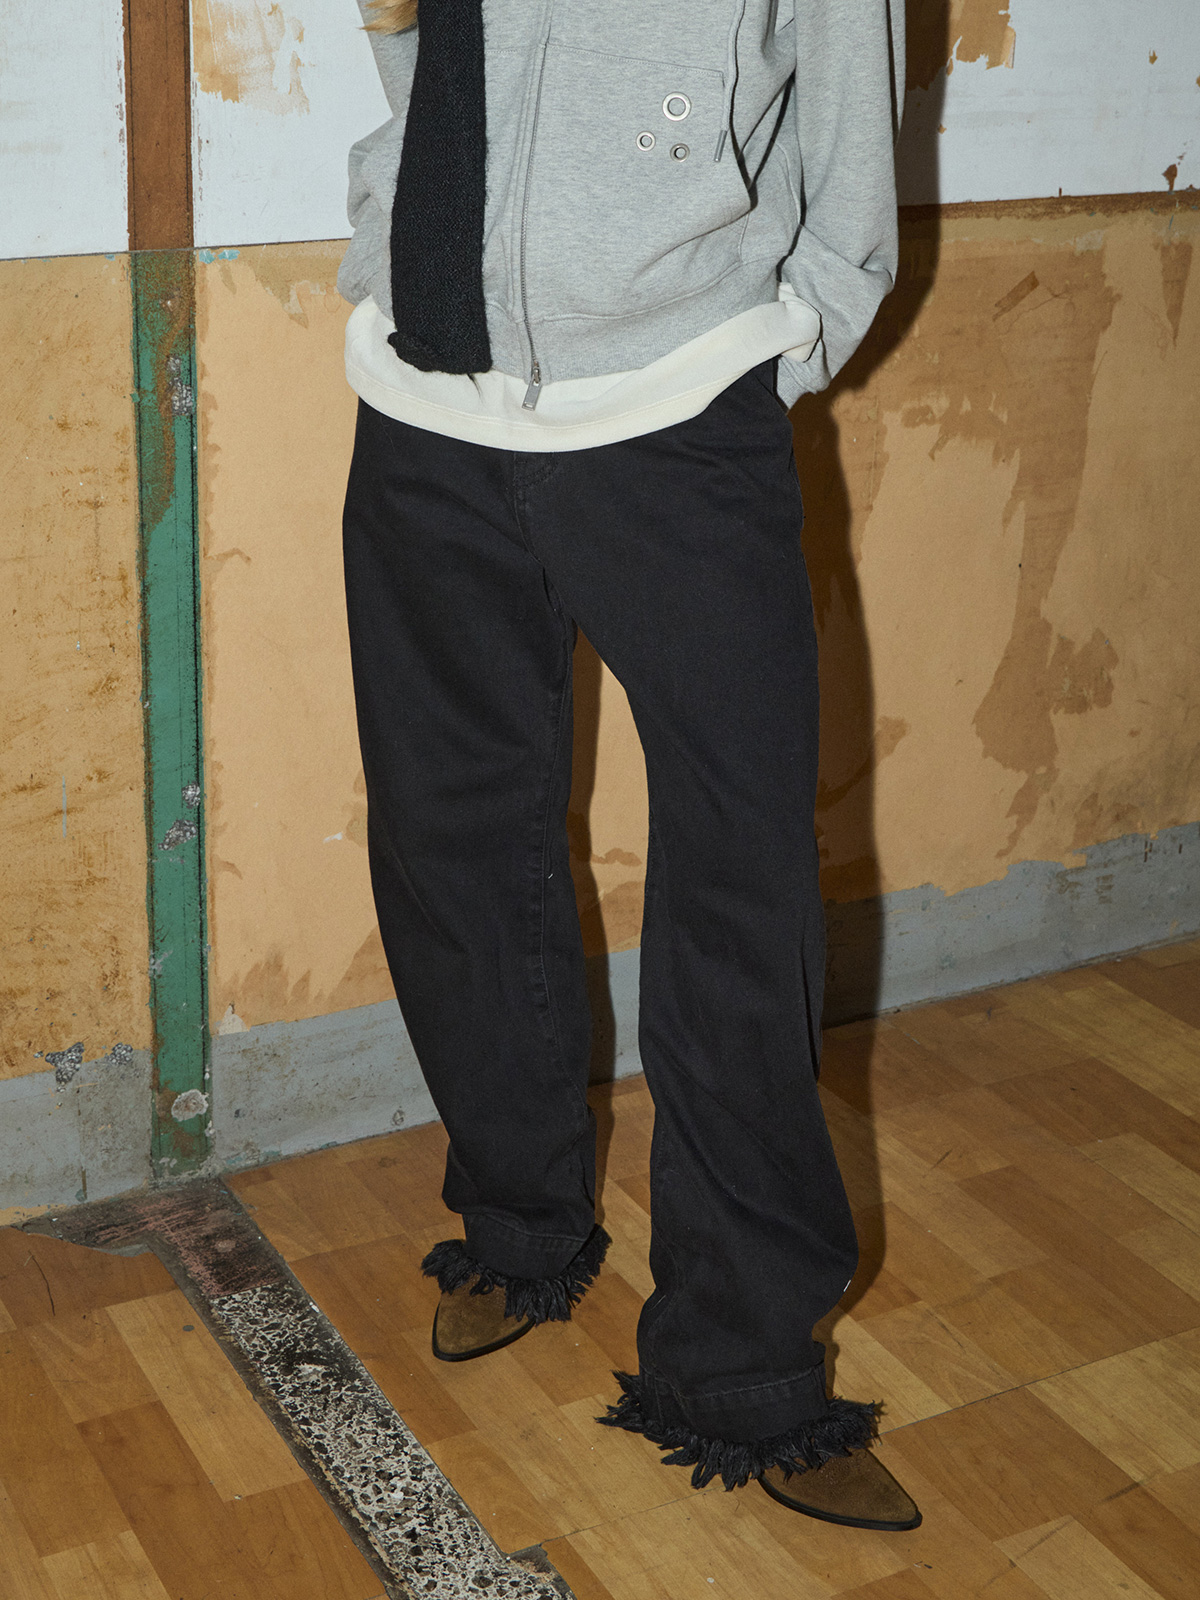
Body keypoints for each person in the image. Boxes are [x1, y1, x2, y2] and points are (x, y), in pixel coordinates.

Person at [337, 0, 919, 1531]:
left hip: (678, 408)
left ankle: (745, 1369)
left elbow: (851, 137)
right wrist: (392, 259)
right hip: (425, 406)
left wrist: (783, 345)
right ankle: (520, 1226)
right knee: (454, 844)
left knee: (741, 886)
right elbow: (415, 56)